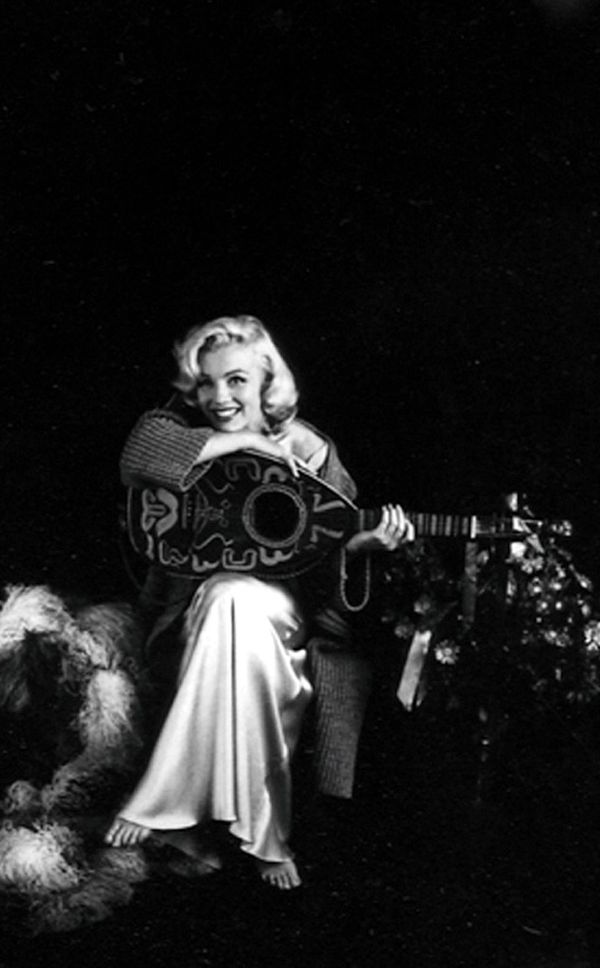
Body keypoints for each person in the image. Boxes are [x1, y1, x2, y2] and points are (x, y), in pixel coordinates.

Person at [105, 315, 413, 889]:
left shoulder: (313, 451)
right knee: (227, 598)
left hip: (286, 622)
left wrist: (360, 547)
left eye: (238, 381)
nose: (219, 397)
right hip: (196, 620)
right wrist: (243, 441)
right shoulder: (176, 428)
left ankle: (166, 808)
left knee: (240, 603)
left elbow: (327, 588)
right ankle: (265, 834)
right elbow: (137, 461)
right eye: (207, 383)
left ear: (268, 381)